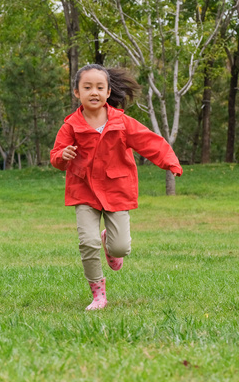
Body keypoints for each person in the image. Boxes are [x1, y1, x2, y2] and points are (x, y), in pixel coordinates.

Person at [50, 64, 182, 310]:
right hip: (84, 191)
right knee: (87, 243)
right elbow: (56, 156)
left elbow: (149, 142)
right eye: (87, 87)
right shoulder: (70, 125)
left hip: (116, 189)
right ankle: (98, 294)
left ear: (108, 92)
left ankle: (109, 241)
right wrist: (62, 155)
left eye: (100, 87)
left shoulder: (122, 123)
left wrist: (170, 161)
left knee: (121, 247)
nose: (94, 92)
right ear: (76, 92)